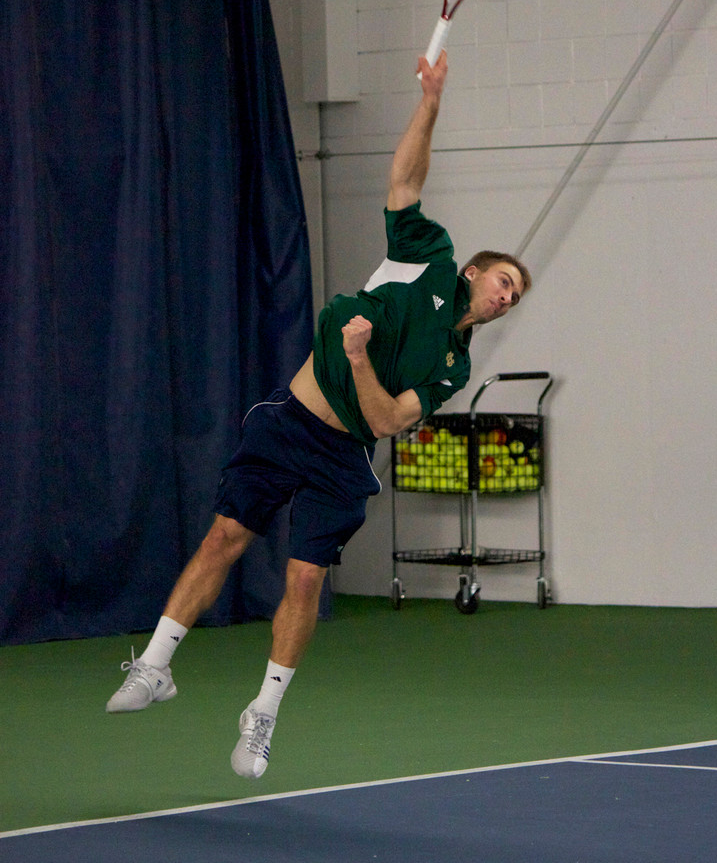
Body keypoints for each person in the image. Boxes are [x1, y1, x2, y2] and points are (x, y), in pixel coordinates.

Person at [105, 51, 531, 779]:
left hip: (343, 456)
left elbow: (394, 420)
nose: (505, 296)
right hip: (289, 423)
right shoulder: (425, 258)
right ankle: (155, 664)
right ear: (472, 271)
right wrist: (430, 102)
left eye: (516, 296)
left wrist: (361, 360)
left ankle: (262, 714)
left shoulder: (454, 366)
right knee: (227, 534)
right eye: (503, 280)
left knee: (304, 579)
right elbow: (405, 180)